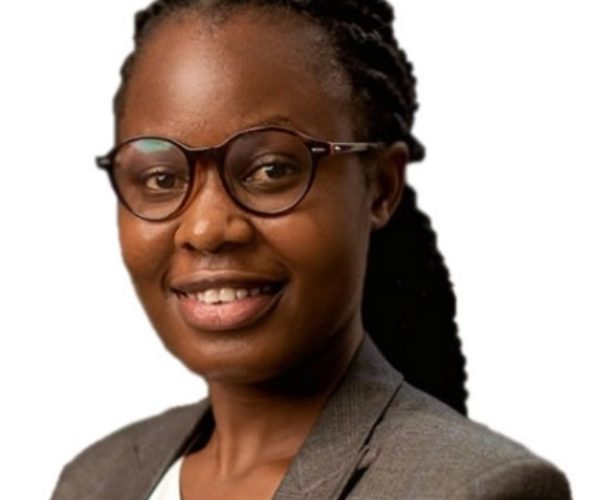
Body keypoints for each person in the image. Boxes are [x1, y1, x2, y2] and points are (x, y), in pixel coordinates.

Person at [51, 0, 570, 498]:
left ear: (381, 187)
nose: (206, 229)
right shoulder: (96, 481)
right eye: (162, 178)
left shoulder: (473, 489)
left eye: (271, 170)